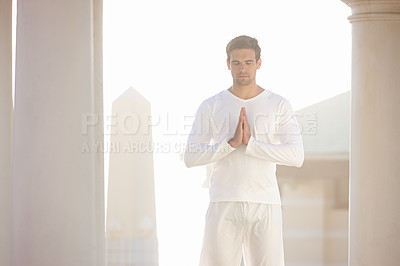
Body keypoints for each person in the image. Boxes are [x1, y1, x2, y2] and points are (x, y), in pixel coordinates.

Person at [184, 35, 304, 266]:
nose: (242, 68)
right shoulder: (211, 105)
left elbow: (296, 156)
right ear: (228, 64)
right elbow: (191, 156)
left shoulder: (279, 104)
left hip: (266, 203)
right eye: (236, 62)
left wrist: (251, 145)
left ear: (259, 63)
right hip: (223, 201)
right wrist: (229, 145)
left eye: (248, 62)